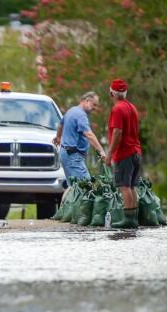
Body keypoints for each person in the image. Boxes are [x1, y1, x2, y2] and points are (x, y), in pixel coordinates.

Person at [106, 78, 142, 227]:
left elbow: (117, 132)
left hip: (124, 152)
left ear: (111, 93)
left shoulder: (117, 109)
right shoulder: (132, 107)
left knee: (123, 186)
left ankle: (128, 220)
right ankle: (133, 218)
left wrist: (109, 154)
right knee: (132, 186)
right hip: (136, 151)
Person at [52, 91, 108, 182]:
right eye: (94, 105)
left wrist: (58, 137)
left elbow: (61, 125)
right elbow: (89, 134)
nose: (95, 108)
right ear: (87, 100)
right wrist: (101, 151)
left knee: (74, 187)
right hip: (73, 157)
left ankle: (67, 196)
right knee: (85, 186)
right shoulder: (81, 115)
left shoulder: (72, 110)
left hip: (66, 154)